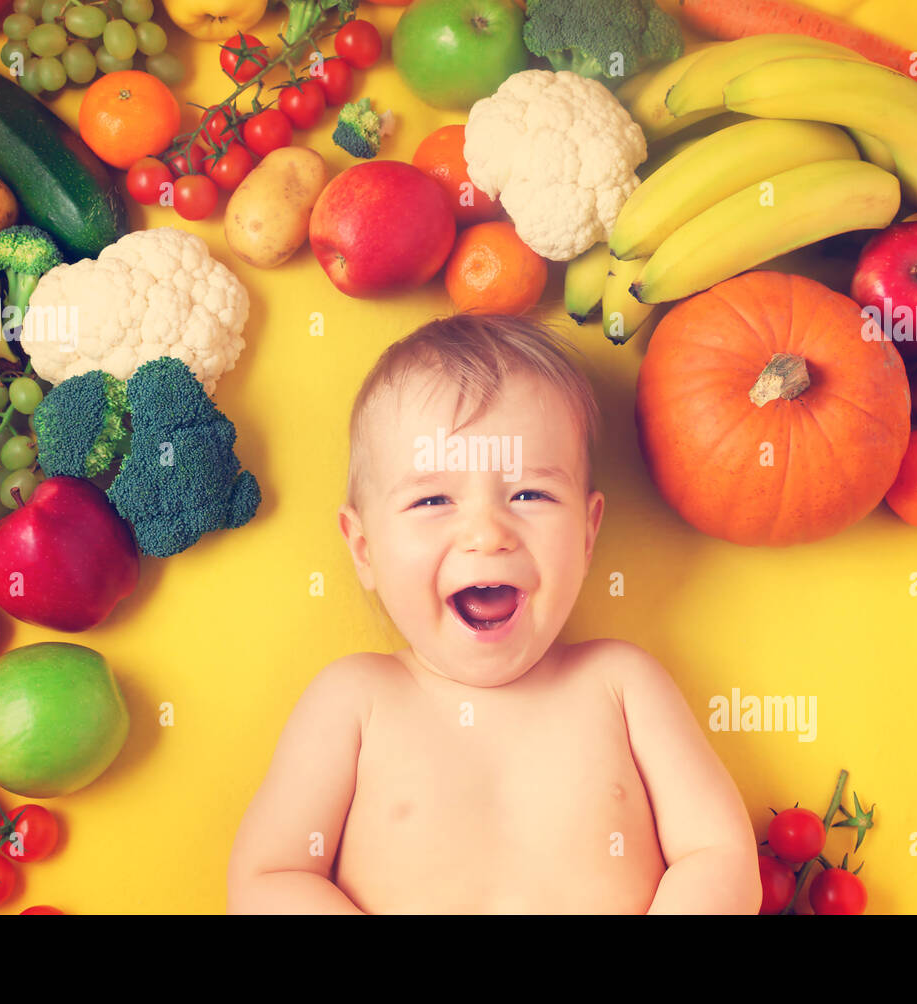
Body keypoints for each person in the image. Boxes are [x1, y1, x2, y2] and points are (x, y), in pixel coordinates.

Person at [228, 313, 759, 914]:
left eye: (530, 494)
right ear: (364, 549)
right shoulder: (354, 699)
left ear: (587, 535)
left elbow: (717, 854)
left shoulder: (622, 684)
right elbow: (268, 877)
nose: (487, 533)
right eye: (432, 499)